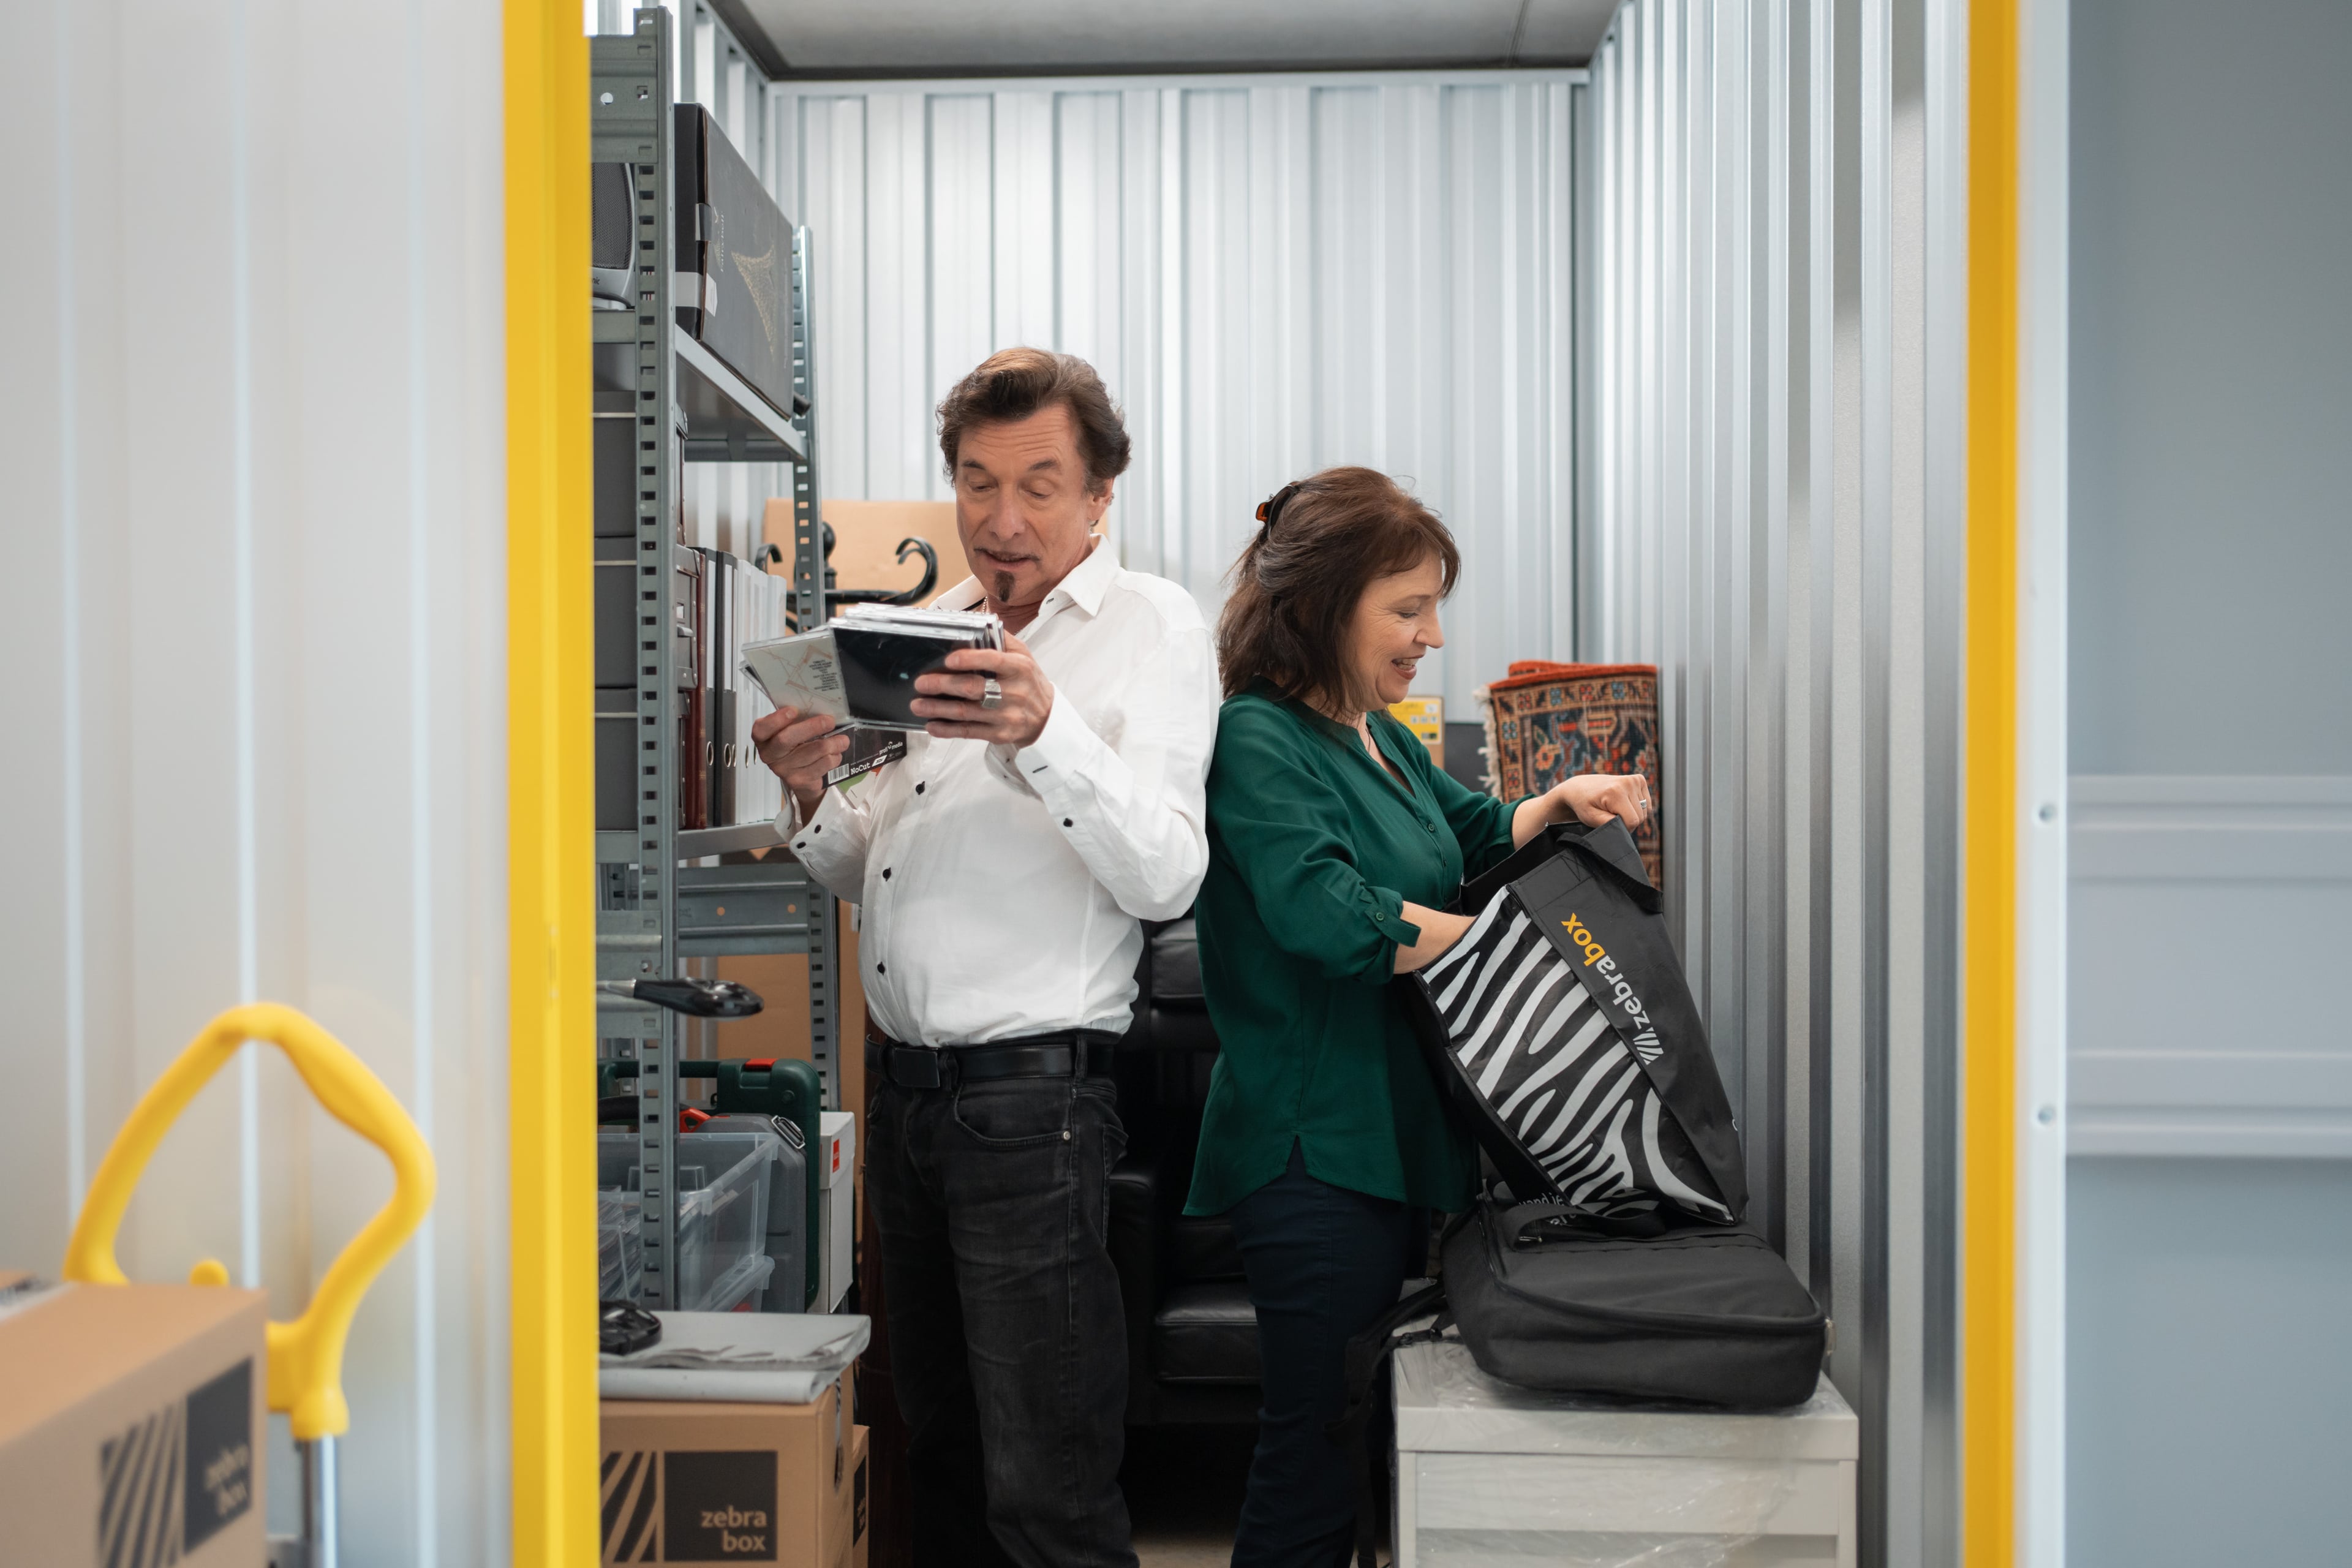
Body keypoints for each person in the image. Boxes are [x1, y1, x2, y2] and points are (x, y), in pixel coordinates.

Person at [751, 349, 1220, 1568]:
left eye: (1039, 486)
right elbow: (871, 863)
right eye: (976, 482)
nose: (1001, 520)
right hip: (906, 1098)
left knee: (1046, 1490)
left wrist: (1042, 728)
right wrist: (810, 790)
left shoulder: (1152, 627)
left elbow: (1168, 875)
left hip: (1031, 1113)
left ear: (1100, 495)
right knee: (942, 1465)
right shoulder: (933, 630)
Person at [1184, 467, 1652, 1567]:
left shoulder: (1378, 736)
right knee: (1311, 1456)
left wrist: (1554, 805)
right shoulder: (1258, 739)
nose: (1432, 636)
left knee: (1359, 1448)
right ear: (1321, 607)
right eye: (1407, 609)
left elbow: (1470, 833)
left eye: (1433, 607)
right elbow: (1326, 913)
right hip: (1312, 1152)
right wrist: (1501, 947)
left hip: (1390, 1142)